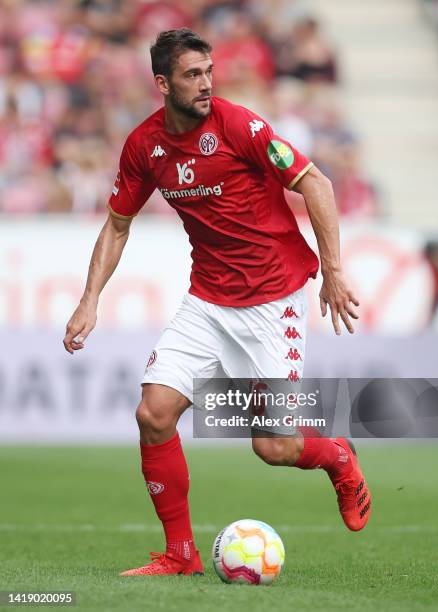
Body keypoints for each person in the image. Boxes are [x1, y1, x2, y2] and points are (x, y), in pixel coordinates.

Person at [63, 28, 371, 577]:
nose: (206, 84)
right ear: (162, 83)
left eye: (208, 72)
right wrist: (89, 300)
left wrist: (333, 269)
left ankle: (339, 457)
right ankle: (179, 555)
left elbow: (316, 183)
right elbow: (116, 225)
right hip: (207, 301)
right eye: (191, 75)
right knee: (153, 414)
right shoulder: (144, 146)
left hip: (274, 302)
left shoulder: (241, 126)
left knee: (273, 447)